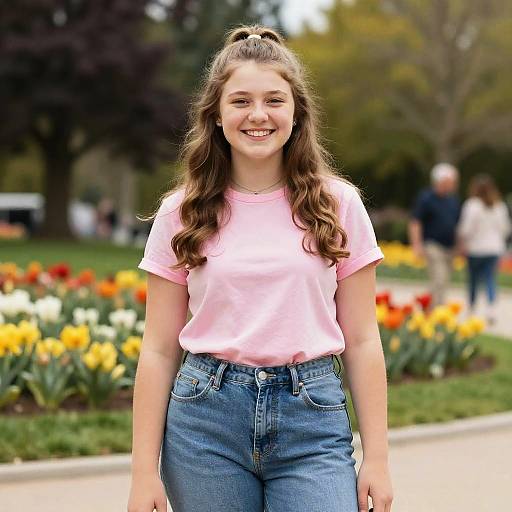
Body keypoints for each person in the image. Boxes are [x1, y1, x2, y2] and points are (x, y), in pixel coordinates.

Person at [128, 25, 393, 512]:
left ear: (296, 113)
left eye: (274, 100)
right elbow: (159, 349)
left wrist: (376, 456)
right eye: (241, 101)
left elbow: (362, 339)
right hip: (204, 424)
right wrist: (143, 472)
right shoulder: (180, 212)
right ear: (216, 115)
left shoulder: (339, 205)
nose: (258, 115)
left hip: (311, 421)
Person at [456, 174, 512, 324]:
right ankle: (491, 309)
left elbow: (466, 229)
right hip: (494, 249)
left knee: (473, 280)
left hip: (476, 249)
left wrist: (462, 242)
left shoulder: (472, 205)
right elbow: (505, 229)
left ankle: (472, 308)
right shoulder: (499, 206)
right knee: (490, 279)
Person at [408, 163, 461, 308]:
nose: (453, 185)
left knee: (443, 281)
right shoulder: (426, 198)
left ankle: (430, 306)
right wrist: (416, 244)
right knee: (439, 278)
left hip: (449, 247)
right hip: (432, 244)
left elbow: (456, 225)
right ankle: (437, 309)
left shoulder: (453, 200)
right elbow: (415, 222)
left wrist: (459, 246)